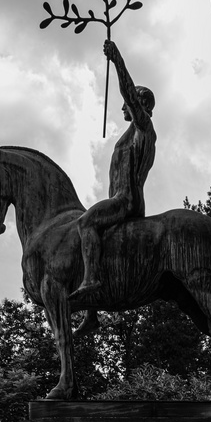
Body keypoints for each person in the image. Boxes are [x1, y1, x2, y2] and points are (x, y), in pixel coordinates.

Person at [70, 39, 156, 306]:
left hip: (125, 201)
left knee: (85, 223)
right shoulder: (132, 133)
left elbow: (128, 92)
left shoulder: (144, 128)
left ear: (140, 104)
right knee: (95, 236)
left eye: (130, 102)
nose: (123, 106)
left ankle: (92, 280)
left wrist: (117, 60)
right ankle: (91, 311)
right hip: (119, 199)